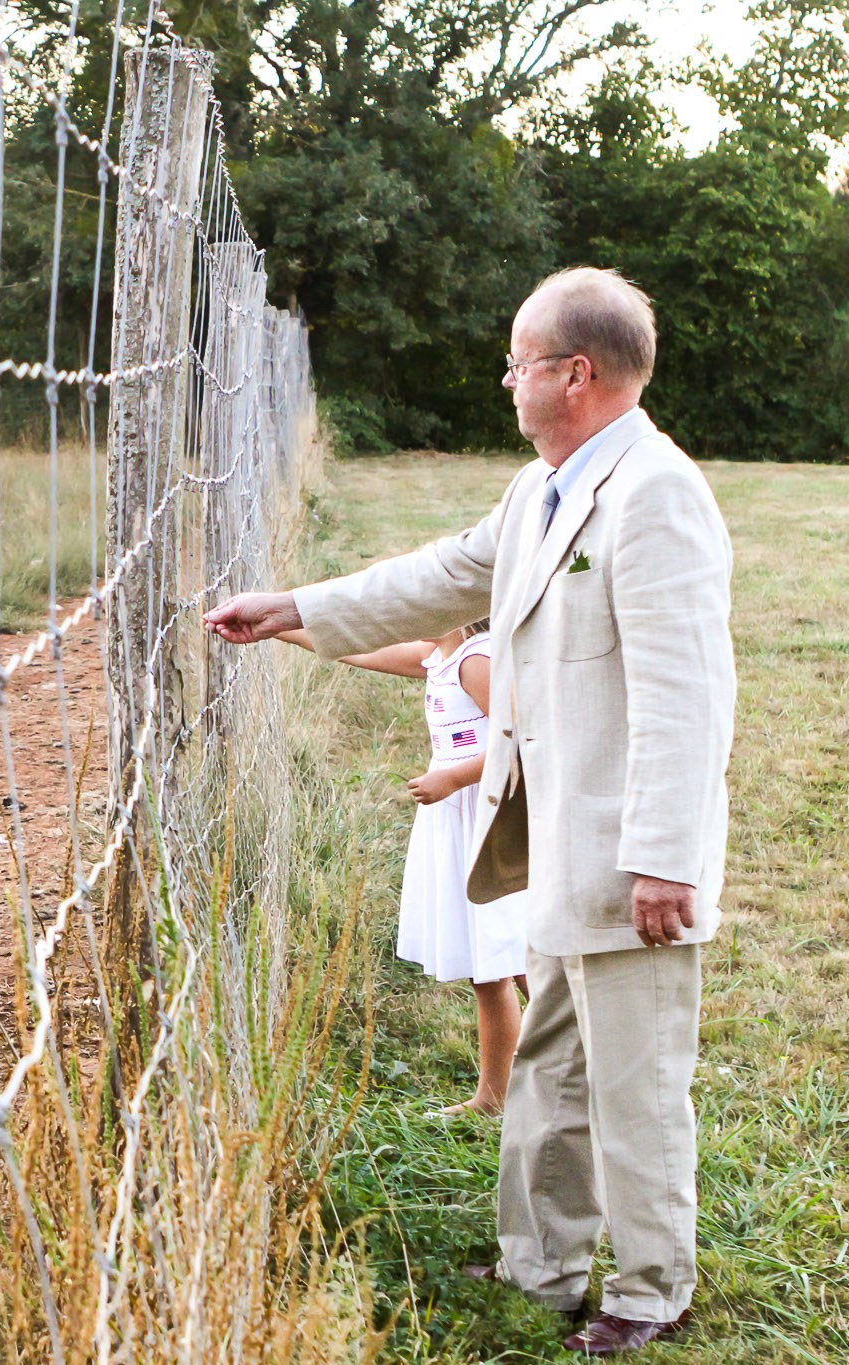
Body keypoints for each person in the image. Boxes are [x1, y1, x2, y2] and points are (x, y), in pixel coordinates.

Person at [204, 267, 734, 1356]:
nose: (504, 380)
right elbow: (442, 575)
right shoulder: (538, 487)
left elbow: (689, 696)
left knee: (632, 1083)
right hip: (552, 839)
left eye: (514, 361)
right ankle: (539, 1265)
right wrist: (295, 608)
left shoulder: (653, 494)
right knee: (549, 1063)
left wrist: (664, 863)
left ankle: (648, 1289)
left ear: (570, 374)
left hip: (629, 857)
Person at [278, 620, 528, 1118]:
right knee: (492, 967)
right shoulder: (435, 655)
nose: (406, 611)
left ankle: (578, 1076)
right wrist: (281, 627)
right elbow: (358, 645)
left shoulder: (475, 660)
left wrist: (453, 777)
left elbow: (520, 741)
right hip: (458, 818)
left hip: (487, 817)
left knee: (521, 958)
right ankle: (494, 1098)